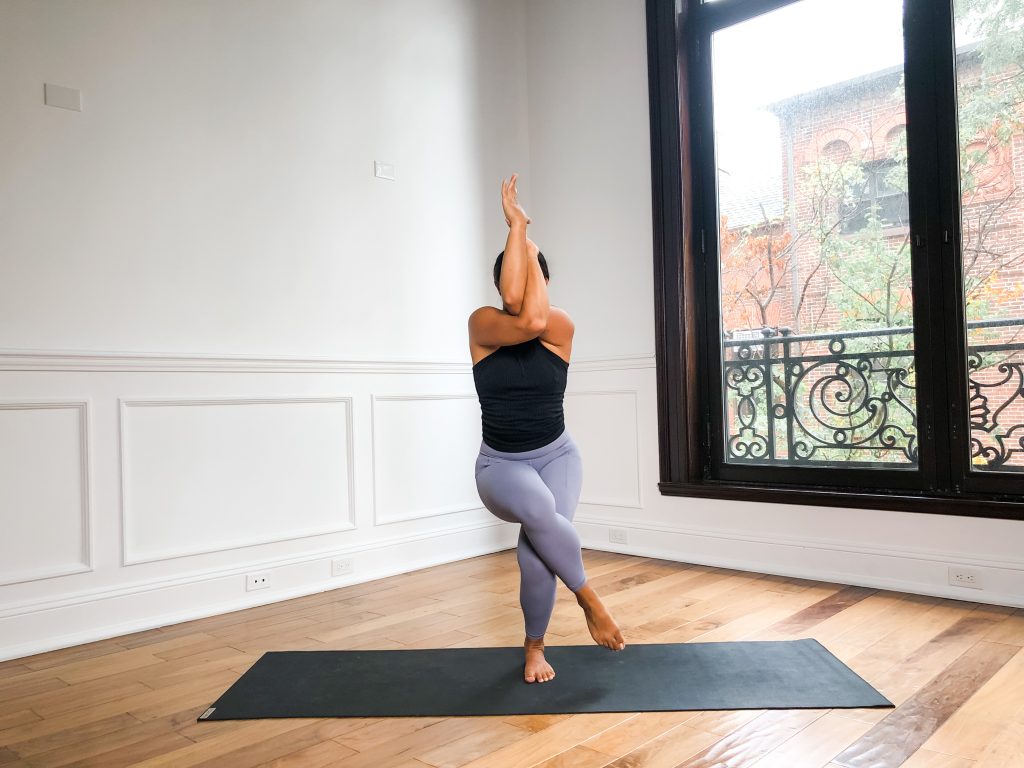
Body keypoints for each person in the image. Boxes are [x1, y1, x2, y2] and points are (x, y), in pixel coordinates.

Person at [468, 173, 626, 684]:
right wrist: (519, 229)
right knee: (538, 512)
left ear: (543, 281)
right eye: (510, 281)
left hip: (558, 456)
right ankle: (590, 599)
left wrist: (524, 236)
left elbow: (533, 316)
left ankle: (534, 648)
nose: (518, 292)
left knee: (537, 559)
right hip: (501, 467)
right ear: (498, 286)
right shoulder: (482, 325)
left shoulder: (561, 325)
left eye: (535, 276)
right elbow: (519, 311)